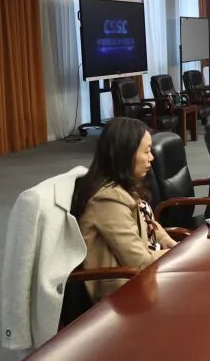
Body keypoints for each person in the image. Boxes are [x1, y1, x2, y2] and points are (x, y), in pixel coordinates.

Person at [72, 117, 177, 301]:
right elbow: (140, 262)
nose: (151, 157)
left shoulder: (123, 184)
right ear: (125, 155)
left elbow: (148, 223)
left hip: (142, 277)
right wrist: (180, 253)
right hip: (122, 292)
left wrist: (170, 243)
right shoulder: (107, 200)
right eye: (146, 151)